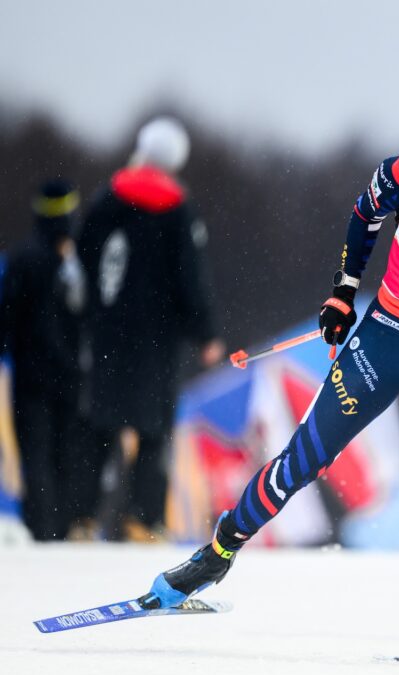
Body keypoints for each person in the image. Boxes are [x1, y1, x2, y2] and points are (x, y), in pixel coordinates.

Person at [139, 89, 399, 658]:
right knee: (302, 460)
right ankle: (213, 557)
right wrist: (342, 293)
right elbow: (364, 217)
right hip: (388, 338)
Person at [77, 117, 225, 542]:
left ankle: (80, 517)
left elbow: (85, 259)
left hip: (107, 332)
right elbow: (190, 277)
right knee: (154, 430)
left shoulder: (107, 200)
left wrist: (84, 317)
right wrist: (207, 334)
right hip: (157, 340)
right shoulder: (178, 210)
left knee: (98, 426)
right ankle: (142, 518)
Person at [0, 179, 88, 540]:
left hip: (31, 375)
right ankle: (64, 526)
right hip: (72, 375)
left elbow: (5, 317)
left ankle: (41, 528)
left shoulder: (22, 258)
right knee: (66, 453)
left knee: (35, 452)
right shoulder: (80, 261)